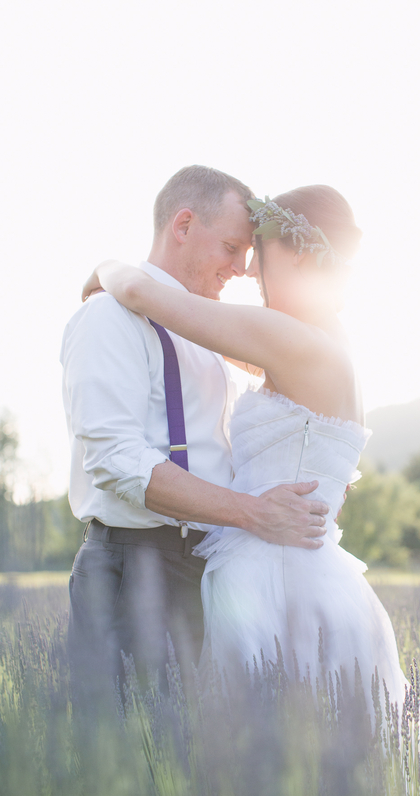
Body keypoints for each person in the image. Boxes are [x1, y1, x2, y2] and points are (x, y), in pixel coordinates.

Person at [82, 185, 411, 715]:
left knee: (251, 758)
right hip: (320, 580)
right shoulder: (327, 345)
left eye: (260, 250)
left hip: (273, 584)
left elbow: (147, 297)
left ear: (300, 253)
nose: (250, 271)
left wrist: (102, 270)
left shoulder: (288, 339)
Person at [61, 166, 329, 709]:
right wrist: (253, 512)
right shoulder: (109, 318)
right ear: (183, 225)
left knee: (189, 764)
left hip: (204, 568)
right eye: (231, 247)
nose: (240, 268)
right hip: (134, 569)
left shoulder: (204, 329)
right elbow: (117, 460)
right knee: (130, 762)